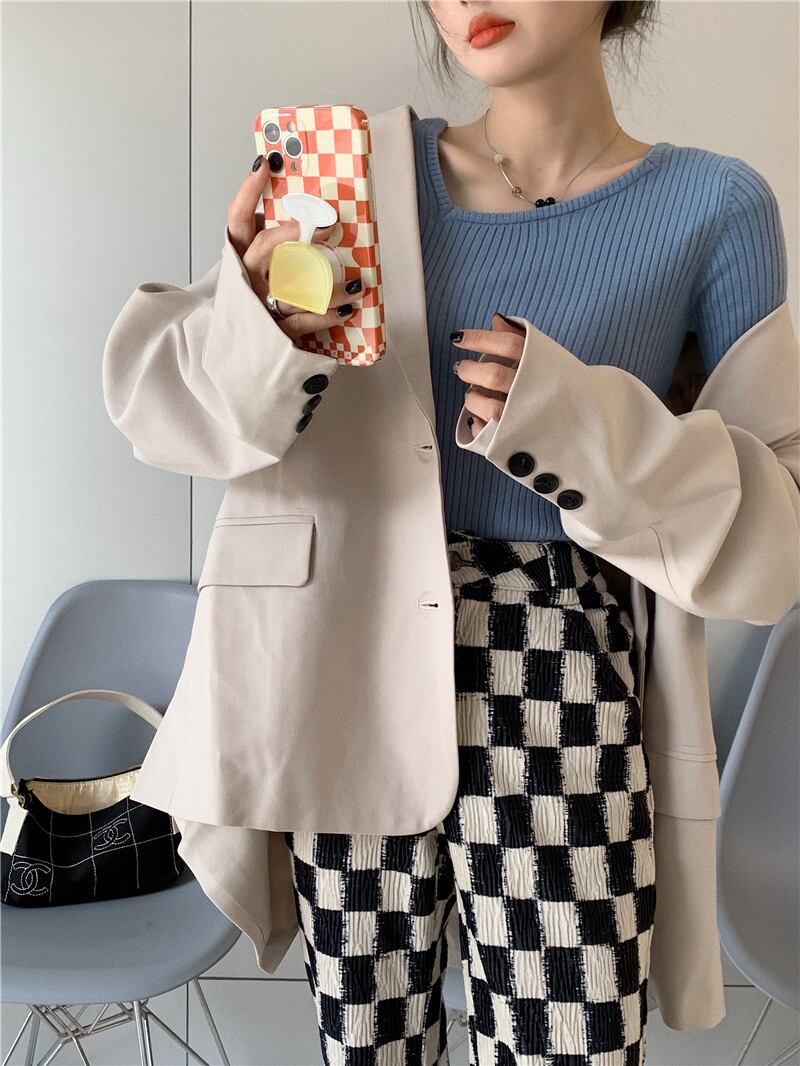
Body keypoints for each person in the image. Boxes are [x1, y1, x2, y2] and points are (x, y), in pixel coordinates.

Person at [102, 3, 794, 1064]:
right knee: (367, 1044)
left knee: (569, 1041)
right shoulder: (351, 179)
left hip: (565, 668)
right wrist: (255, 324)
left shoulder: (714, 207)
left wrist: (579, 424)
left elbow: (776, 533)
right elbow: (166, 420)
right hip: (346, 663)